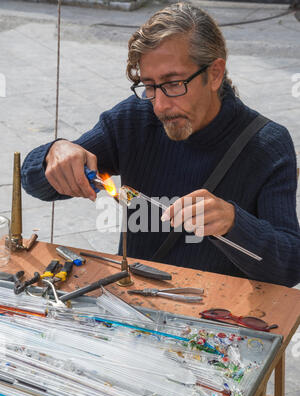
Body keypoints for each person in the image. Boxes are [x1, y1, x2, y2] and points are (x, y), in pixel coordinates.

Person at [21, 2, 300, 287]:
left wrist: (234, 224)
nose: (161, 105)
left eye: (174, 83)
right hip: (137, 304)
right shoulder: (135, 119)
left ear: (214, 73)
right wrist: (54, 153)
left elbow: (290, 268)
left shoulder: (266, 145)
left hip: (221, 315)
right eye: (150, 86)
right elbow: (32, 182)